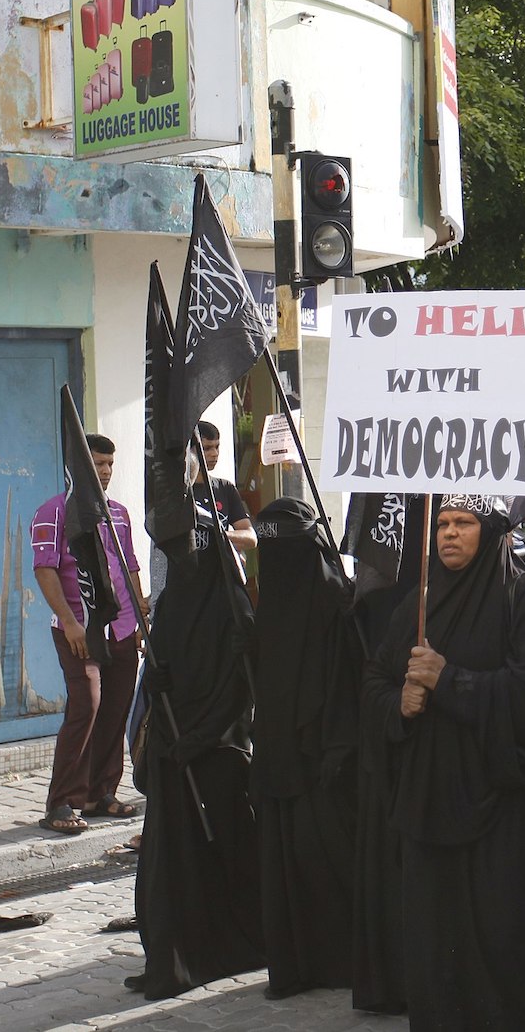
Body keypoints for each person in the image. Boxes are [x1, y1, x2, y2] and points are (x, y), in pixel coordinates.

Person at [362, 494, 525, 1031]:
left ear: (493, 531)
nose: (449, 533)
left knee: (510, 937)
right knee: (435, 946)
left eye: (464, 523)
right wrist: (398, 703)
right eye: (442, 523)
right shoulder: (420, 602)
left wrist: (449, 681)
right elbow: (376, 679)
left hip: (503, 801)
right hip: (429, 800)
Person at [132, 479, 262, 999]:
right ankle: (172, 952)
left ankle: (224, 948)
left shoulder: (233, 608)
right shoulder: (171, 605)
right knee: (169, 863)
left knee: (221, 855)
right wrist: (157, 681)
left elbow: (240, 692)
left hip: (218, 754)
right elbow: (157, 677)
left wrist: (203, 738)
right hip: (173, 752)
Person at [252, 497, 363, 1001]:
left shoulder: (335, 599)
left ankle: (340, 959)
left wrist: (335, 744)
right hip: (280, 753)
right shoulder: (274, 597)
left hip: (324, 757)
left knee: (325, 857)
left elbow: (346, 679)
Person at [32, 432, 145, 835]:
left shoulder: (118, 514)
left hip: (122, 627)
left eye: (110, 464)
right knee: (87, 705)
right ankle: (62, 802)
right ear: (77, 468)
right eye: (98, 464)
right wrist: (69, 621)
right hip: (78, 628)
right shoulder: (53, 512)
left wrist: (139, 619)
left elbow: (129, 565)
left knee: (115, 708)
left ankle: (101, 794)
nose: (106, 471)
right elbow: (44, 569)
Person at [192, 420, 256, 557]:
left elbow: (251, 538)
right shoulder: (178, 491)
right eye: (206, 448)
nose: (214, 453)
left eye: (217, 447)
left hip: (219, 568)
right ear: (189, 451)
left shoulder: (225, 488)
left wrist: (218, 536)